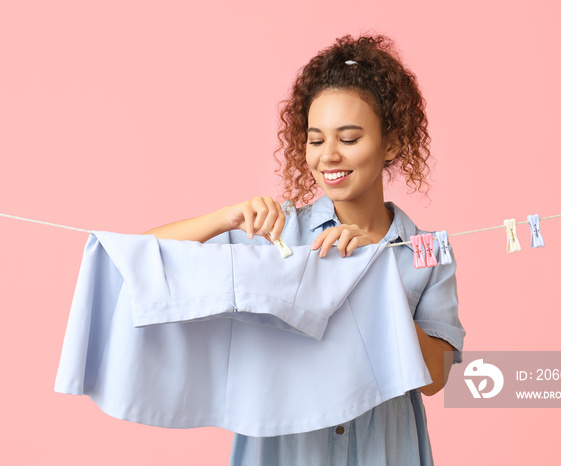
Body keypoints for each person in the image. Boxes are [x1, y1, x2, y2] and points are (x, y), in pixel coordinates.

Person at [144, 34, 465, 466]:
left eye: (349, 139)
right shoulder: (275, 234)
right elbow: (145, 255)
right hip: (284, 451)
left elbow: (437, 379)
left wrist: (376, 280)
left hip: (384, 450)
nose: (328, 156)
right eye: (316, 140)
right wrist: (225, 219)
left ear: (391, 144)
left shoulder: (425, 251)